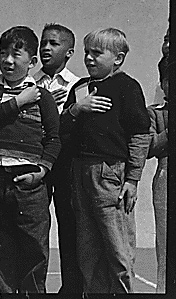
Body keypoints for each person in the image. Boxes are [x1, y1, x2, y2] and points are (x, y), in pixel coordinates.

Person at [61, 28, 151, 293]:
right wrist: (77, 109)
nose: (88, 58)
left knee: (116, 248)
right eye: (86, 53)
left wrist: (132, 179)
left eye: (97, 53)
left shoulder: (127, 87)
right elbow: (62, 130)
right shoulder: (79, 88)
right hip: (79, 173)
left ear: (118, 58)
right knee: (87, 251)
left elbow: (139, 135)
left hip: (110, 174)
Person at [0, 26, 60, 293]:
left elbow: (54, 139)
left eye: (16, 54)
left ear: (32, 62)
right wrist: (19, 101)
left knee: (33, 247)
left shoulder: (42, 96)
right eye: (3, 53)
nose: (8, 60)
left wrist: (42, 171)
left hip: (28, 182)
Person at [33, 23, 81, 293]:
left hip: (64, 163)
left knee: (69, 224)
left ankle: (71, 288)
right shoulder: (29, 83)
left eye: (54, 43)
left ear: (69, 52)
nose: (46, 48)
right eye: (43, 43)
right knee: (35, 227)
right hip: (34, 158)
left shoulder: (78, 86)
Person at [146, 56, 168, 293]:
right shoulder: (155, 113)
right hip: (165, 181)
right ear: (162, 84)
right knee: (166, 246)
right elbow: (150, 146)